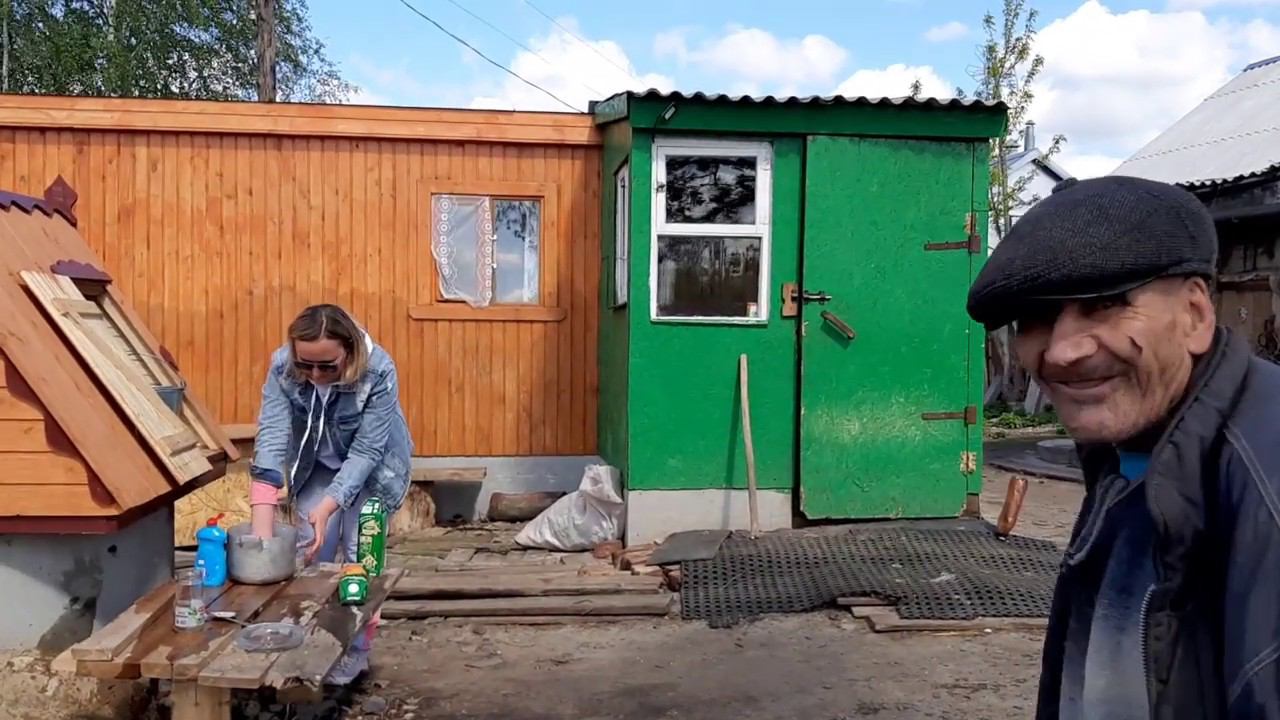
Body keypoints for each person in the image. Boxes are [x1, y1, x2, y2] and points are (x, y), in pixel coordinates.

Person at [967, 175, 1280, 719]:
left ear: (1195, 315)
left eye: (1106, 303)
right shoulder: (1125, 454)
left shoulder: (1265, 484)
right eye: (1035, 318)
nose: (1061, 352)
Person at [248, 303, 413, 685]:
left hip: (374, 469)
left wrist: (328, 507)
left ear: (349, 352)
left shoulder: (379, 370)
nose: (316, 375)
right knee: (309, 549)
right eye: (305, 365)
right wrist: (261, 533)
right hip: (317, 465)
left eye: (327, 366)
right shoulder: (281, 366)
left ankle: (356, 652)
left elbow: (367, 450)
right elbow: (271, 435)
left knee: (360, 555)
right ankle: (312, 641)